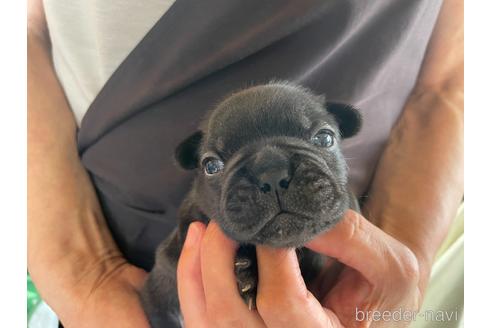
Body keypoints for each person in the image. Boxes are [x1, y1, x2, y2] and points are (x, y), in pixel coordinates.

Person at [28, 0, 463, 327]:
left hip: (349, 263)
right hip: (113, 258)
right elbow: (23, 29)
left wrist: (400, 264)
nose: (273, 176)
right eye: (217, 163)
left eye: (322, 137)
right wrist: (87, 279)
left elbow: (454, 79)